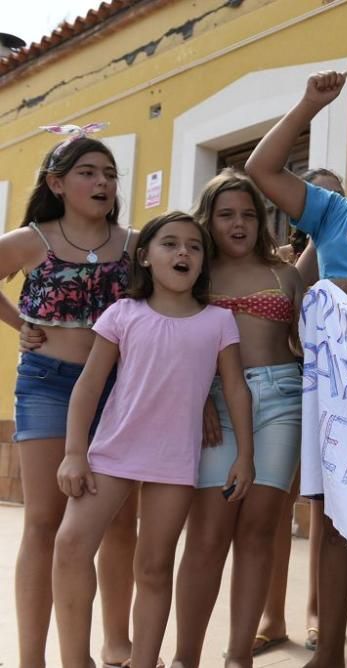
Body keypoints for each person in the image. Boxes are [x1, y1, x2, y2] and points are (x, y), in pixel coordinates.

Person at [245, 69, 347, 668]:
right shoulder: (333, 211)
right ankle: (332, 651)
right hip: (332, 388)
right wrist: (309, 104)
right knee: (334, 519)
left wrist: (335, 285)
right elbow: (261, 171)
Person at [50, 211, 253, 668]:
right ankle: (74, 661)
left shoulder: (219, 321)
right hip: (111, 453)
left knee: (154, 567)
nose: (183, 252)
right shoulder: (123, 313)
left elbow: (236, 389)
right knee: (70, 545)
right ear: (145, 257)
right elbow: (88, 384)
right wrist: (73, 453)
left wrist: (246, 455)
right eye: (170, 243)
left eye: (194, 246)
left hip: (174, 462)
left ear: (203, 263)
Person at [0, 129, 139, 667]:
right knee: (43, 521)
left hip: (121, 390)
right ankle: (32, 657)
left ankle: (116, 642)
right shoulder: (33, 239)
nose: (102, 182)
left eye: (109, 174)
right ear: (57, 184)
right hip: (46, 383)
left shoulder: (133, 246)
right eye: (88, 173)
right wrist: (20, 325)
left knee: (120, 522)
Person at [172, 171, 305, 665]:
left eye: (249, 213)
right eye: (226, 213)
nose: (239, 223)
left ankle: (238, 656)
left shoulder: (284, 274)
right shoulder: (194, 272)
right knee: (208, 535)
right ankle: (187, 656)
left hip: (282, 402)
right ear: (208, 219)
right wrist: (198, 397)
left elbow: (312, 342)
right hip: (215, 407)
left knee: (258, 531)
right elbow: (176, 337)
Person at [260, 165, 344, 655]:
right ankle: (272, 616)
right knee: (275, 506)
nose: (324, 208)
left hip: (336, 389)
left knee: (322, 509)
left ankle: (317, 612)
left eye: (334, 200)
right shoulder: (278, 262)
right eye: (316, 199)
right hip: (288, 385)